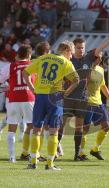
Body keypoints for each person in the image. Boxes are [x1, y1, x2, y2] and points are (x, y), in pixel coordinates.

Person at [57, 24, 109, 161]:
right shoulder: (67, 59)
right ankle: (55, 150)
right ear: (73, 49)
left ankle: (76, 155)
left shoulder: (88, 58)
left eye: (83, 48)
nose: (81, 50)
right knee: (61, 124)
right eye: (78, 48)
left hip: (82, 98)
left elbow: (102, 47)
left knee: (80, 127)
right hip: (68, 96)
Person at [23, 41, 79, 170]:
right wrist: (66, 93)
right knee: (53, 131)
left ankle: (32, 162)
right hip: (55, 97)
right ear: (65, 50)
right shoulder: (65, 62)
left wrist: (32, 88)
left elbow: (26, 72)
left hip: (40, 96)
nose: (71, 56)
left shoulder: (43, 58)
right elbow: (76, 80)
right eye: (71, 53)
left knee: (36, 129)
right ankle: (49, 164)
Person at [0, 45, 35, 162]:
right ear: (29, 55)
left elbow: (0, 80)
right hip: (29, 98)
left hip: (14, 99)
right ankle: (31, 154)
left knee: (11, 128)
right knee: (32, 126)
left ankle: (12, 156)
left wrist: (7, 87)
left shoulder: (10, 66)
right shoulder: (33, 65)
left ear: (18, 54)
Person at [80, 52, 109, 160]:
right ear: (94, 59)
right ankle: (81, 152)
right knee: (85, 129)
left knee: (106, 127)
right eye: (99, 58)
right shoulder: (86, 70)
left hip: (99, 103)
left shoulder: (100, 70)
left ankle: (95, 149)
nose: (100, 60)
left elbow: (103, 86)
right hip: (87, 103)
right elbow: (82, 86)